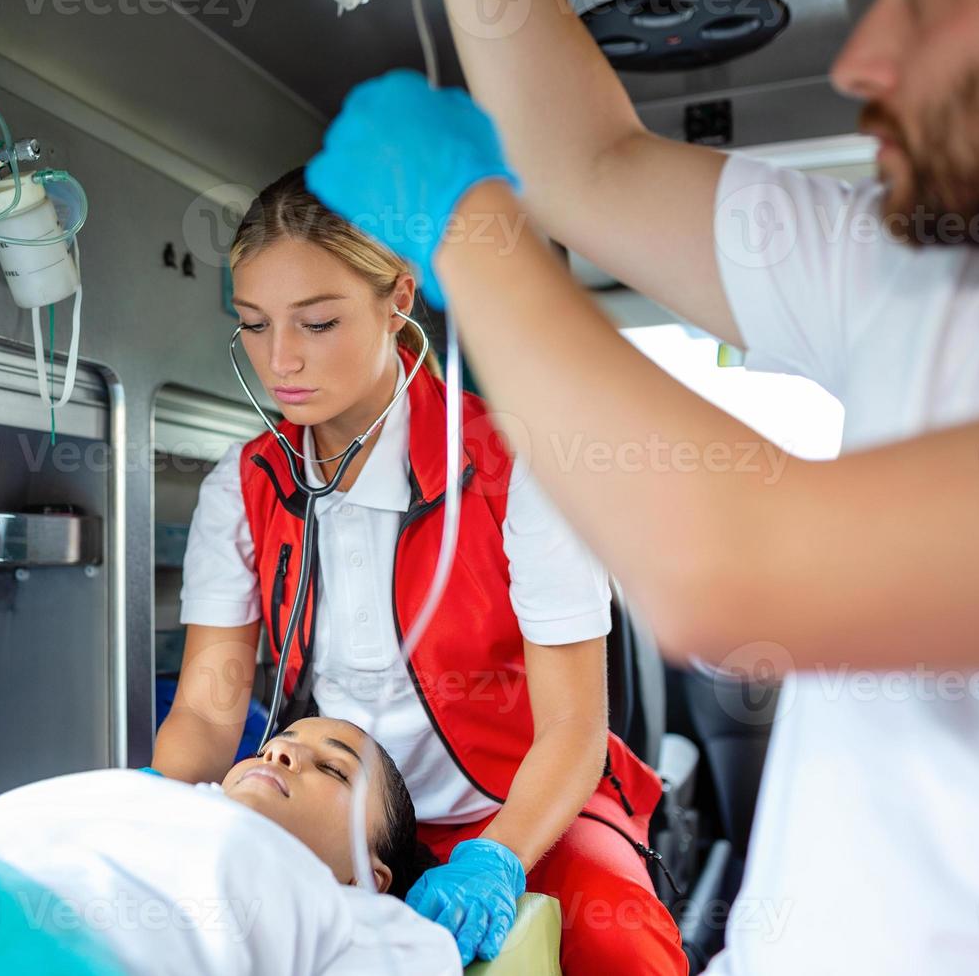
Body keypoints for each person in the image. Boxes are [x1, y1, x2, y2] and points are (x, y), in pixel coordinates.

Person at [301, 0, 979, 970]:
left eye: (926, 9)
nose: (862, 62)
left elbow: (731, 571)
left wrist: (464, 221)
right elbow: (582, 164)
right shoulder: (928, 267)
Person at [151, 168, 685, 973]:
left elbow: (575, 731)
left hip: (526, 801)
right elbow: (205, 708)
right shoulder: (247, 483)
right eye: (253, 326)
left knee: (616, 941)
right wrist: (158, 820)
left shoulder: (517, 466)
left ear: (398, 300)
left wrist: (497, 857)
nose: (280, 360)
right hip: (351, 813)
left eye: (318, 322)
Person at [0, 717, 460, 975]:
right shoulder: (143, 798)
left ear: (367, 878)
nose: (279, 750)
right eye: (272, 744)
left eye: (333, 768)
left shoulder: (356, 918)